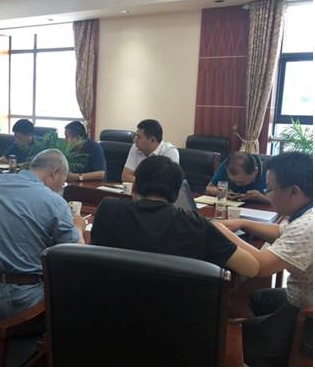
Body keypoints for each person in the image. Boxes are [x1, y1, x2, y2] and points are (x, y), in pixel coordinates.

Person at [214, 152, 312, 366]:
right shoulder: (306, 213)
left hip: (306, 313)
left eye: (271, 189)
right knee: (257, 299)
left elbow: (259, 267)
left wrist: (222, 231)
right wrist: (243, 224)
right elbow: (280, 231)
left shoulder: (307, 227)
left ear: (294, 191)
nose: (268, 194)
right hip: (300, 296)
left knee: (238, 338)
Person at [91, 156, 259, 277]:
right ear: (177, 193)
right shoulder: (196, 225)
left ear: (135, 185)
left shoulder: (108, 209)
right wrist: (219, 229)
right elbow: (251, 268)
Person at [0, 149, 86, 321]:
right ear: (54, 173)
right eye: (63, 182)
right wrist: (79, 227)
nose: (62, 187)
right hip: (27, 302)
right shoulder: (55, 202)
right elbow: (76, 254)